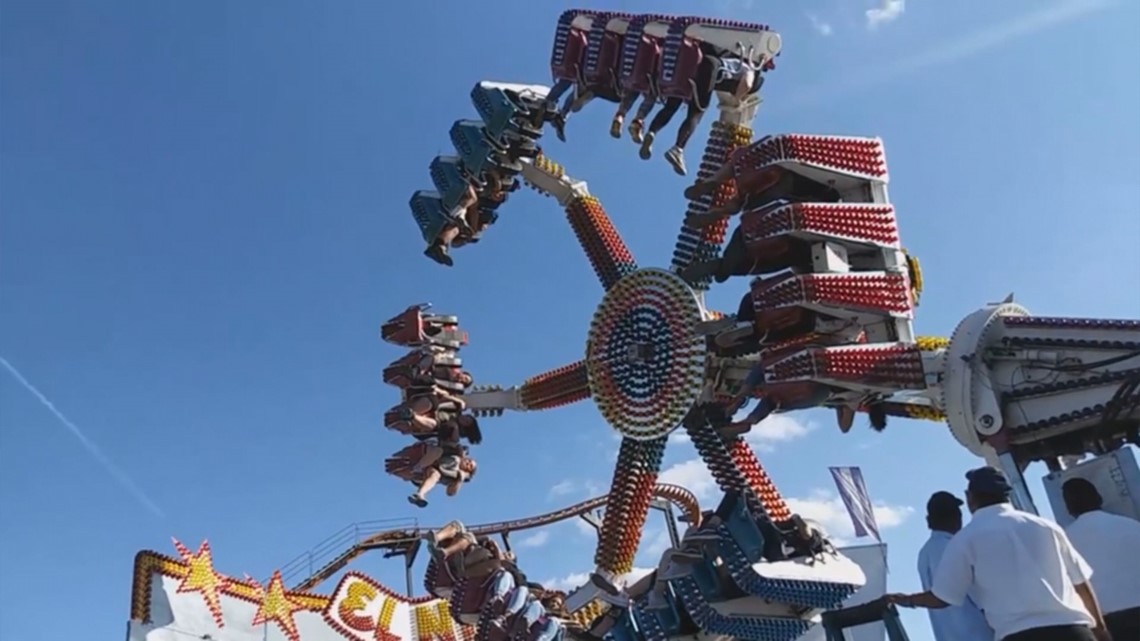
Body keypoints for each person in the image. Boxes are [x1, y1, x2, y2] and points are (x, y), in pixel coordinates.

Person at [887, 467, 1112, 641]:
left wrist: (905, 599)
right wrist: (1100, 629)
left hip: (1019, 634)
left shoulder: (965, 540)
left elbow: (942, 598)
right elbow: (1081, 583)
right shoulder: (1046, 527)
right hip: (1074, 631)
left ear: (970, 497)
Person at [639, 44, 765, 176]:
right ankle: (678, 148)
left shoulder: (732, 53)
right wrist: (737, 100)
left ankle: (652, 132)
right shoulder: (750, 69)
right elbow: (747, 84)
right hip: (711, 69)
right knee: (696, 112)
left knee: (672, 105)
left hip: (692, 66)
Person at [1062, 477, 1140, 641]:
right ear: (1099, 498)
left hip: (1108, 623)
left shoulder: (1065, 540)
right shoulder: (1132, 525)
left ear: (1068, 507)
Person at [915, 491, 995, 641]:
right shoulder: (953, 547)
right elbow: (979, 597)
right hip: (979, 635)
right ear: (956, 517)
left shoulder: (925, 552)